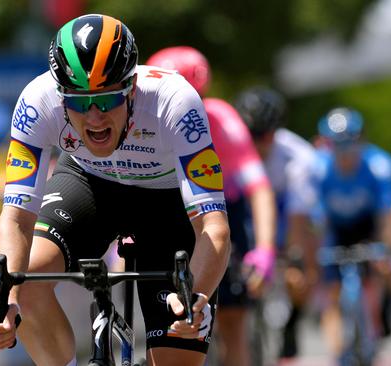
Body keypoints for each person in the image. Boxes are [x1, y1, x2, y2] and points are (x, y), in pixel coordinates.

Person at [0, 14, 231, 365]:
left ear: (132, 88)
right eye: (79, 103)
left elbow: (213, 228)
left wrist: (196, 296)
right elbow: (17, 218)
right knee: (27, 282)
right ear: (60, 95)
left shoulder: (175, 102)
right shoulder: (37, 101)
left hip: (167, 200)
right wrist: (4, 299)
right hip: (90, 184)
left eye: (108, 100)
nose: (94, 118)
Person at [146, 46, 277, 366]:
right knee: (165, 330)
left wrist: (264, 250)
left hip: (218, 216)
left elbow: (258, 189)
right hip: (167, 216)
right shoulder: (141, 121)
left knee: (232, 324)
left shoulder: (221, 118)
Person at [234, 86, 320, 359]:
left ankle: (293, 320)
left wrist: (294, 260)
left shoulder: (300, 156)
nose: (259, 143)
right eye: (252, 136)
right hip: (245, 208)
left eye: (265, 135)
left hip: (286, 214)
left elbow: (298, 217)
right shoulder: (227, 144)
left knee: (303, 262)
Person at [313, 107, 391, 363]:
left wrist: (386, 248)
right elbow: (314, 219)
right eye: (337, 145)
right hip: (336, 230)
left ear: (360, 141)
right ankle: (338, 352)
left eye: (350, 144)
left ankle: (384, 311)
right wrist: (315, 252)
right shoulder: (317, 168)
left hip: (368, 226)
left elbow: (386, 215)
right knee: (332, 288)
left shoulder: (379, 166)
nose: (345, 152)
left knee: (381, 269)